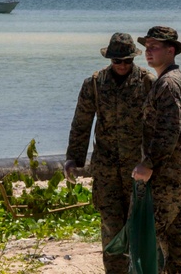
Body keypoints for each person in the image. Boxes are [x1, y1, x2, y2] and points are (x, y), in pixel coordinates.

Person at [64, 33, 155, 274]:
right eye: (117, 61)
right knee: (111, 228)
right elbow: (82, 122)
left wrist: (156, 161)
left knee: (140, 226)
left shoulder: (148, 82)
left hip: (138, 168)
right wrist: (73, 158)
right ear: (109, 60)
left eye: (127, 61)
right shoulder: (94, 83)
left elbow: (159, 125)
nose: (122, 65)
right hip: (106, 170)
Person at [132, 26, 181, 273]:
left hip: (169, 176)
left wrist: (147, 164)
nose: (148, 52)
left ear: (170, 51)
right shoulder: (176, 81)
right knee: (177, 237)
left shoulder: (169, 84)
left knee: (157, 236)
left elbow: (169, 131)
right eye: (147, 47)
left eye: (155, 47)